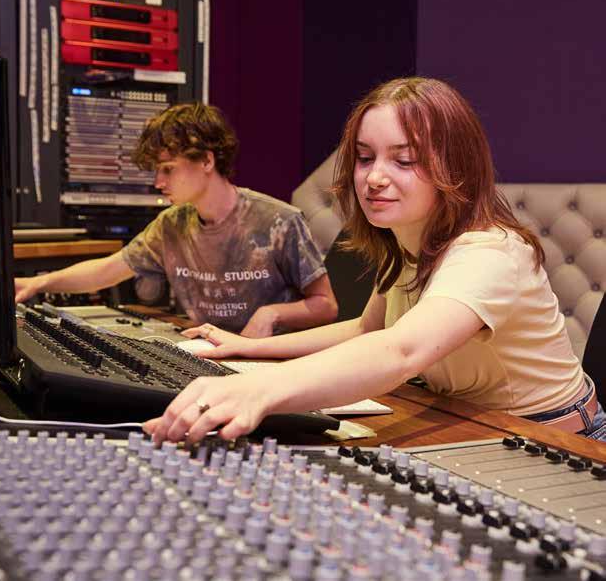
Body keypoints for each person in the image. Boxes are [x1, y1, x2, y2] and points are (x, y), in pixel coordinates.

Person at [144, 77, 606, 445]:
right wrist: (244, 349)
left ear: (455, 168)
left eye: (404, 161)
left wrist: (258, 389)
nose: (374, 178)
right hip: (478, 424)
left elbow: (401, 350)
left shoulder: (491, 252)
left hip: (557, 440)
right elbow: (369, 329)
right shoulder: (407, 243)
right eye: (365, 158)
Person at [14, 103, 338, 338]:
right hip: (206, 354)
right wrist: (38, 284)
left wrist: (271, 314)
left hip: (269, 364)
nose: (158, 182)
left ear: (207, 161)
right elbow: (108, 270)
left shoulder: (279, 221)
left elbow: (326, 305)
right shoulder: (171, 225)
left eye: (168, 169)